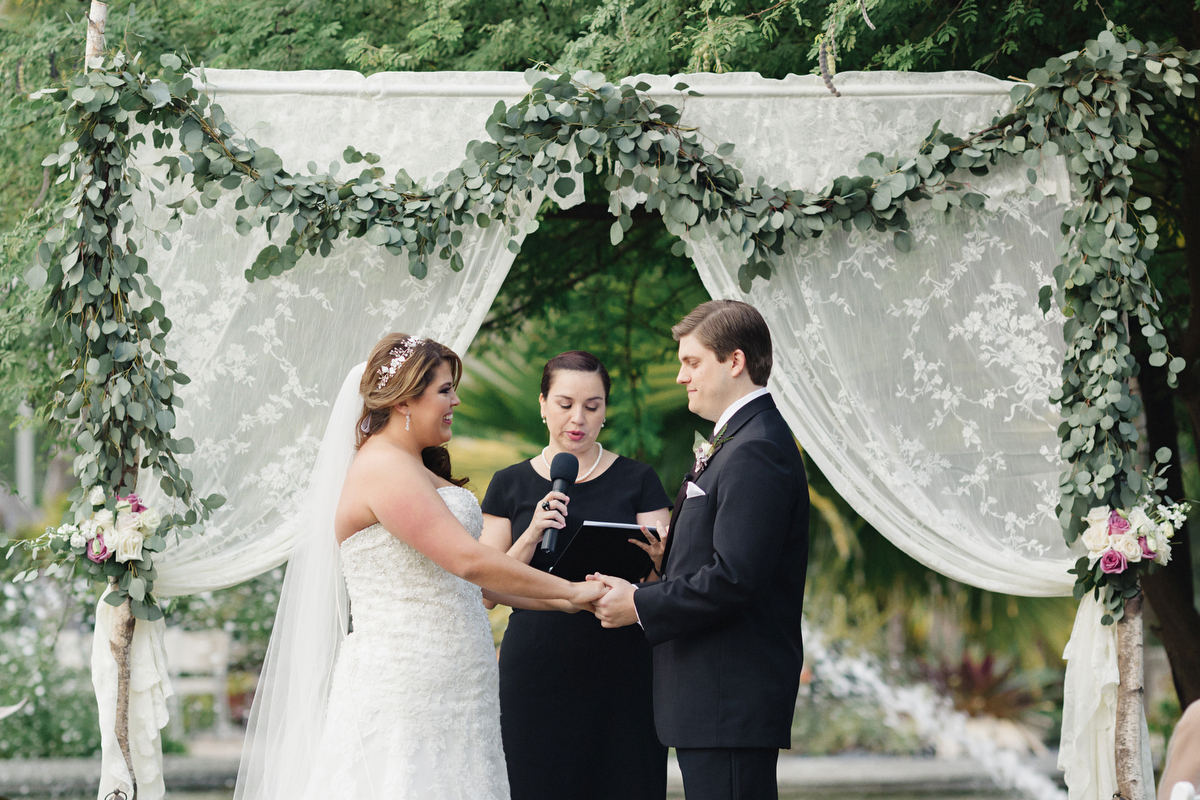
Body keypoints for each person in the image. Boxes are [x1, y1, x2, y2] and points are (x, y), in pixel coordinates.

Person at [234, 334, 606, 800]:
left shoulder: (416, 466)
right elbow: (469, 561)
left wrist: (570, 603)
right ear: (407, 398)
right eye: (445, 390)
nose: (456, 400)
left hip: (459, 686)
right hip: (407, 686)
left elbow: (466, 586)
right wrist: (569, 590)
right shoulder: (383, 468)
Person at [591, 300, 809, 800]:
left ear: (734, 362)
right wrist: (667, 559)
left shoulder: (756, 449)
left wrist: (637, 604)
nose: (679, 377)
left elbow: (734, 577)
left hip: (727, 696)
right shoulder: (741, 440)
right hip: (713, 697)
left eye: (691, 362)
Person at [480, 351, 671, 800]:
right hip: (537, 668)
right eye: (565, 404)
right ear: (543, 403)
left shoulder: (639, 479)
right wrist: (531, 533)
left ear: (606, 409)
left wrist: (663, 560)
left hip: (623, 666)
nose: (578, 419)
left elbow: (668, 580)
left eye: (593, 405)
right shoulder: (509, 484)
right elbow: (486, 589)